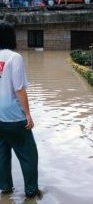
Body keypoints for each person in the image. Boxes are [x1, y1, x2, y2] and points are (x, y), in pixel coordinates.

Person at [0, 21, 40, 198]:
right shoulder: (14, 58)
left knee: (2, 153)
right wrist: (28, 114)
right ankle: (31, 191)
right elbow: (19, 89)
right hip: (13, 116)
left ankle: (5, 187)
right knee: (29, 154)